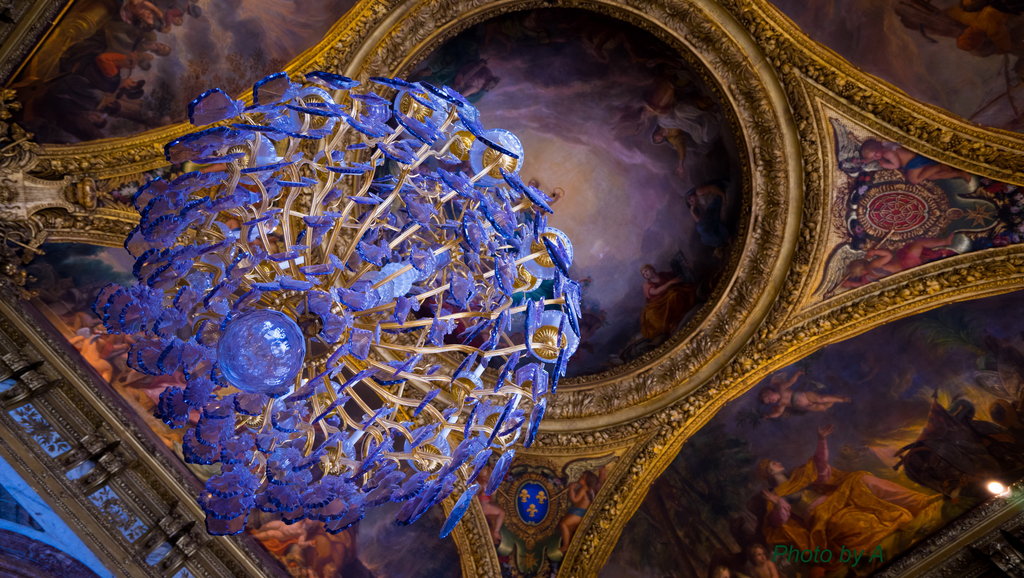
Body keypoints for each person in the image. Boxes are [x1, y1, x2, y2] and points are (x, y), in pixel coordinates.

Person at [758, 425, 940, 561]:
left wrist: (821, 440)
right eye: (773, 464)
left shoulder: (798, 474)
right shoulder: (775, 494)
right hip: (821, 515)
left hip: (837, 498)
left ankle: (920, 502)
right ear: (768, 472)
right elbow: (779, 522)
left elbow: (821, 466)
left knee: (860, 478)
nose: (778, 463)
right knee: (852, 522)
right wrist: (777, 503)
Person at [860, 139, 971, 185]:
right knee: (931, 176)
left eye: (876, 154)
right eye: (874, 157)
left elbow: (896, 165)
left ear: (878, 148)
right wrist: (868, 159)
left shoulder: (887, 153)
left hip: (914, 162)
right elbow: (874, 153)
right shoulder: (884, 147)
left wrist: (884, 164)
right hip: (913, 163)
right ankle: (958, 173)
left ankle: (940, 166)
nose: (876, 157)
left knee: (914, 180)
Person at [758, 370, 851, 418]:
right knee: (823, 408)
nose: (771, 401)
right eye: (769, 402)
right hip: (805, 406)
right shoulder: (781, 404)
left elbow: (791, 381)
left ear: (769, 392)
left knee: (821, 399)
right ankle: (834, 399)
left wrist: (797, 374)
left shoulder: (781, 388)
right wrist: (769, 415)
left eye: (769, 398)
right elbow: (778, 413)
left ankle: (841, 399)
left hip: (805, 396)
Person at [639, 264, 695, 342]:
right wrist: (670, 283)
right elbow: (656, 291)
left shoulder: (663, 274)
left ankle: (681, 316)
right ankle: (673, 324)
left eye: (646, 271)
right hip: (657, 302)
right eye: (643, 274)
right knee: (653, 313)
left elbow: (675, 275)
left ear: (652, 269)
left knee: (676, 294)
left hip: (669, 294)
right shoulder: (646, 285)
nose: (645, 274)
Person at [558, 470, 598, 553]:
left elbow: (575, 500)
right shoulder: (588, 490)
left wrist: (571, 489)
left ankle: (566, 546)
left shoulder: (583, 489)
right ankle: (568, 545)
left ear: (587, 481)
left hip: (578, 514)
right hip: (578, 512)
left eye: (582, 477)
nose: (580, 478)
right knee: (569, 528)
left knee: (563, 524)